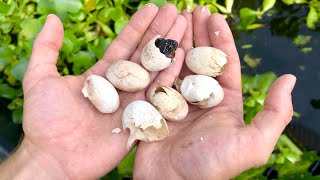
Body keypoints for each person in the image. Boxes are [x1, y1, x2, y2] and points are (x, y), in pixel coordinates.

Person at [0, 3, 296, 180]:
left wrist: (43, 162)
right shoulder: (132, 93)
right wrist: (46, 161)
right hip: (141, 101)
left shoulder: (178, 90)